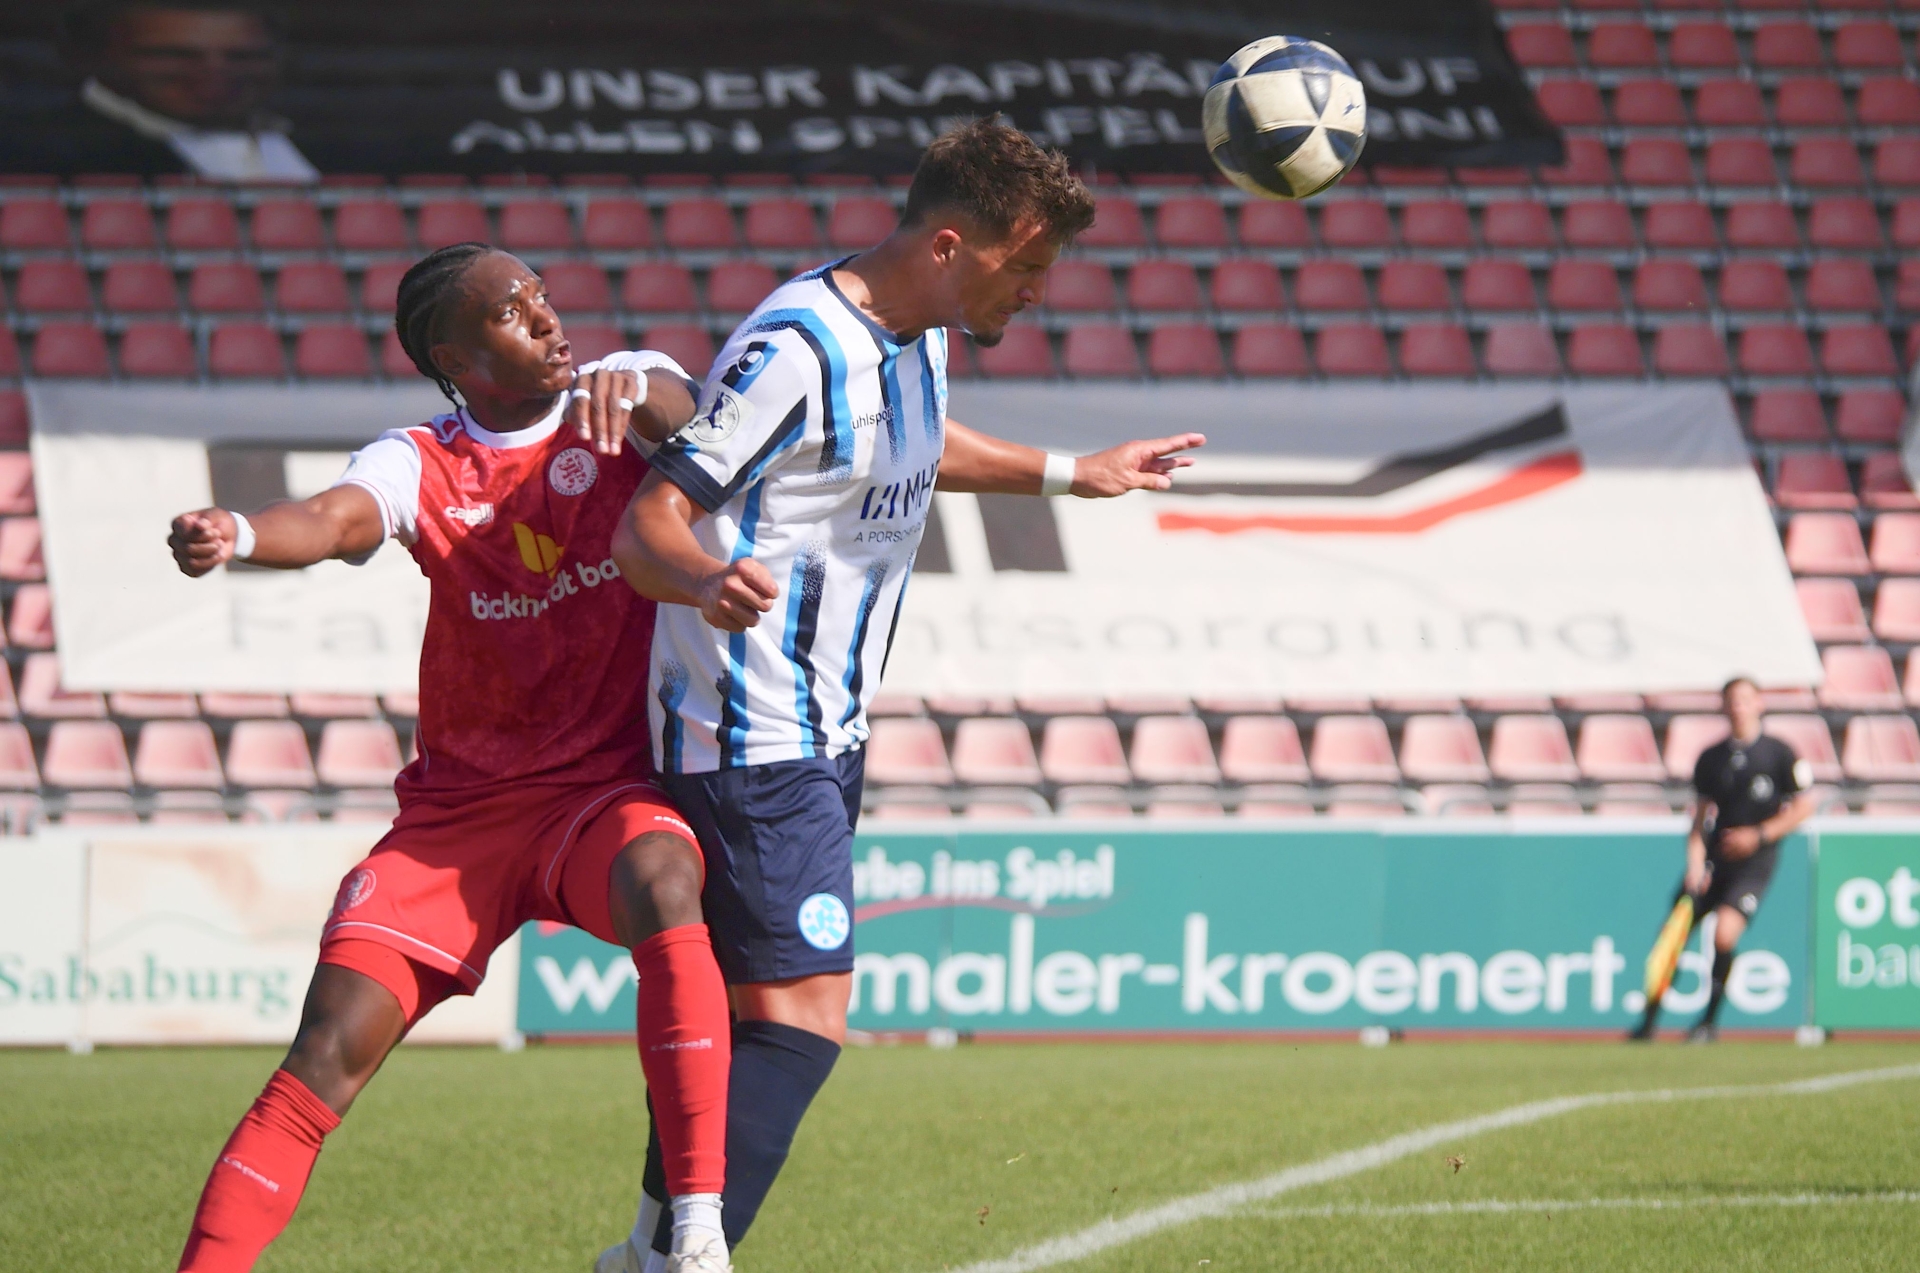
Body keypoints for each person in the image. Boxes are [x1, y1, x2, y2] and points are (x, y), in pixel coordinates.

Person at [601, 117, 1205, 1272]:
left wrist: (1076, 473)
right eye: (1026, 265)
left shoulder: (918, 331)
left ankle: (647, 1247)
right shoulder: (796, 346)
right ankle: (678, 1255)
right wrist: (706, 579)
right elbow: (650, 525)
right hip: (750, 729)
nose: (1038, 291)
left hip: (826, 729)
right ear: (947, 245)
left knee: (758, 1018)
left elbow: (914, 449)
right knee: (801, 1019)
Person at [164, 243, 735, 1273]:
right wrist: (240, 531)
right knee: (326, 1049)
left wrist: (642, 384)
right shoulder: (418, 459)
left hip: (595, 797)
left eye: (542, 296)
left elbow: (694, 413)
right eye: (514, 312)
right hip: (456, 824)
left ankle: (694, 1233)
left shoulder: (617, 398)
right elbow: (335, 520)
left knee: (664, 876)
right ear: (456, 360)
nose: (548, 319)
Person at [1630, 676, 1815, 1043]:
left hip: (1755, 862)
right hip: (1714, 861)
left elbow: (1803, 807)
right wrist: (1695, 864)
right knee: (1673, 934)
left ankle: (1708, 1023)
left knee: (1725, 935)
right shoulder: (1711, 758)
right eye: (1731, 700)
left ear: (1759, 703)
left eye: (1745, 699)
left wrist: (1759, 835)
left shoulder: (1779, 753)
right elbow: (1699, 820)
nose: (1738, 706)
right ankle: (1649, 1021)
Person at [39, 2, 317, 181]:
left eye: (243, 56)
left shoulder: (318, 142)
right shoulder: (43, 154)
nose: (215, 72)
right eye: (174, 55)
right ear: (96, 57)